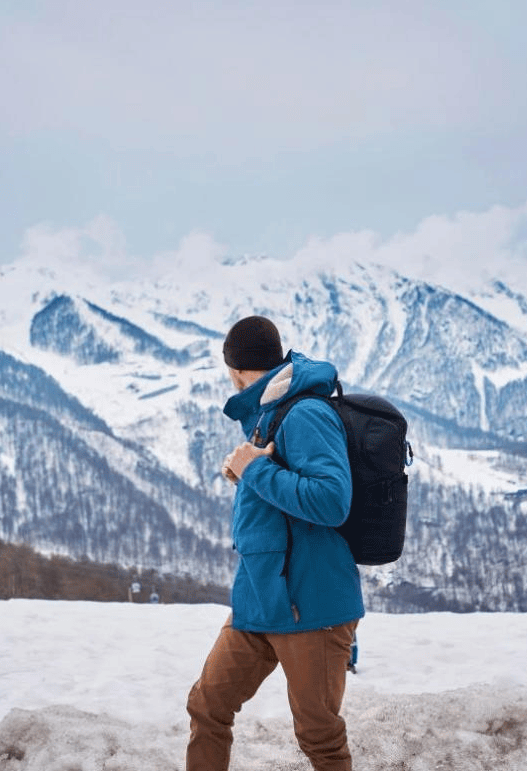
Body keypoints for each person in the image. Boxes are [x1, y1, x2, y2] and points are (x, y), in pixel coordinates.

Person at [186, 315, 363, 771]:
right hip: (261, 598)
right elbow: (280, 499)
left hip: (311, 605)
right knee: (207, 706)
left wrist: (255, 472)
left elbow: (330, 501)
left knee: (319, 736)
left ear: (234, 369)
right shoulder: (270, 411)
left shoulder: (305, 412)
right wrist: (246, 476)